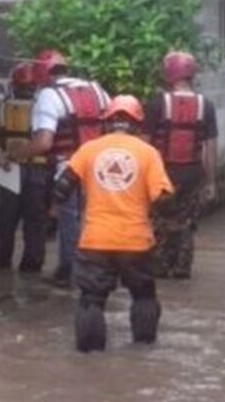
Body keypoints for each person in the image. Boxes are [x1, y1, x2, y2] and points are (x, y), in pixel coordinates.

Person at [52, 95, 175, 352]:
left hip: (95, 240)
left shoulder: (88, 150)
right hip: (136, 241)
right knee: (143, 296)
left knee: (91, 301)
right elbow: (163, 198)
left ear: (107, 122)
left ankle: (90, 357)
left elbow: (61, 188)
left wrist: (52, 214)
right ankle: (143, 349)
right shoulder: (148, 153)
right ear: (137, 124)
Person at [2, 49, 110, 286]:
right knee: (98, 220)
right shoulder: (97, 89)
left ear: (43, 75)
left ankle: (69, 271)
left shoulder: (50, 96)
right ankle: (101, 270)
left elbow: (43, 143)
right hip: (102, 170)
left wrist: (12, 155)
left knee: (69, 221)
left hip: (69, 172)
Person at [144, 51, 219, 279]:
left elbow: (144, 145)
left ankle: (159, 268)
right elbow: (211, 148)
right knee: (186, 224)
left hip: (162, 174)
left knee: (159, 223)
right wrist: (211, 181)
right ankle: (182, 269)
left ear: (169, 73)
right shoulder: (206, 105)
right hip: (193, 174)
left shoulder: (157, 103)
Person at [0, 62, 48, 273]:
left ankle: (0, 262)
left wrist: (3, 156)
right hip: (38, 171)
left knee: (5, 221)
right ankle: (32, 265)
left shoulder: (1, 109)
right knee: (35, 222)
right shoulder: (44, 108)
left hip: (8, 171)